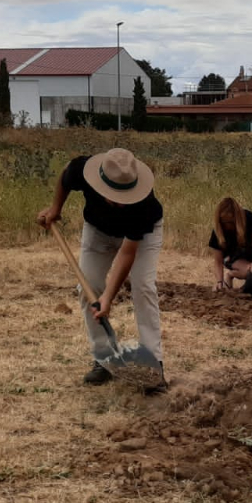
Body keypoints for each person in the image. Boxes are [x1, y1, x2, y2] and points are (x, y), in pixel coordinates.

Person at [36, 148, 165, 387]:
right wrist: (56, 209)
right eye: (116, 196)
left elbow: (127, 253)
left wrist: (109, 297)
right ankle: (104, 359)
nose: (122, 203)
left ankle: (153, 367)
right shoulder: (82, 170)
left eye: (126, 195)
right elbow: (65, 175)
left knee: (143, 287)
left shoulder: (142, 204)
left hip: (143, 236)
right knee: (88, 287)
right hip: (98, 230)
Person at [208, 197, 252, 290]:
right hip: (232, 257)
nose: (227, 225)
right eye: (224, 222)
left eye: (231, 221)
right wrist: (219, 282)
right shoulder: (218, 230)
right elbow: (218, 261)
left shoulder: (249, 217)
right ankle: (230, 275)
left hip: (250, 252)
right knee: (248, 273)